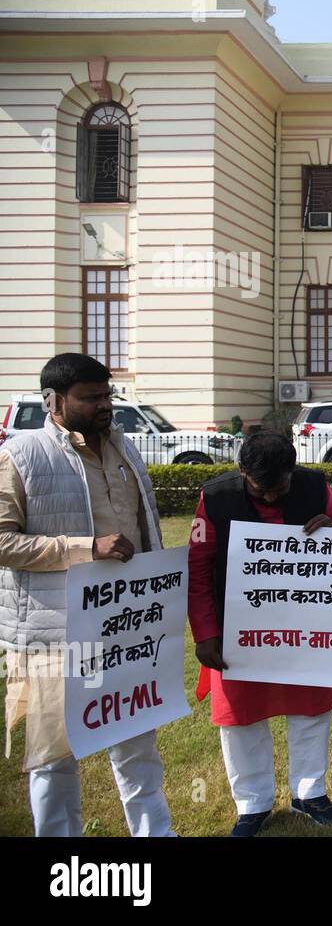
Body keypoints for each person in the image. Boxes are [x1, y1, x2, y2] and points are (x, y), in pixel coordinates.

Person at [0, 353, 174, 837]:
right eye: (91, 397)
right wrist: (85, 549)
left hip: (126, 625)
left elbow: (145, 529)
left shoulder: (124, 447)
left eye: (107, 395)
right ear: (53, 401)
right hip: (55, 632)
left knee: (136, 742)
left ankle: (155, 833)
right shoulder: (23, 454)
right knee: (54, 755)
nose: (104, 405)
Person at [188, 432, 332, 836]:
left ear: (293, 470)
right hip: (236, 627)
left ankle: (309, 792)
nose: (274, 498)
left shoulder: (315, 486)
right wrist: (205, 633)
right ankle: (253, 804)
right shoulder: (215, 497)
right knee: (240, 717)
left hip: (306, 623)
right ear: (242, 473)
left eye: (281, 487)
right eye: (263, 490)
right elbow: (199, 569)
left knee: (311, 705)